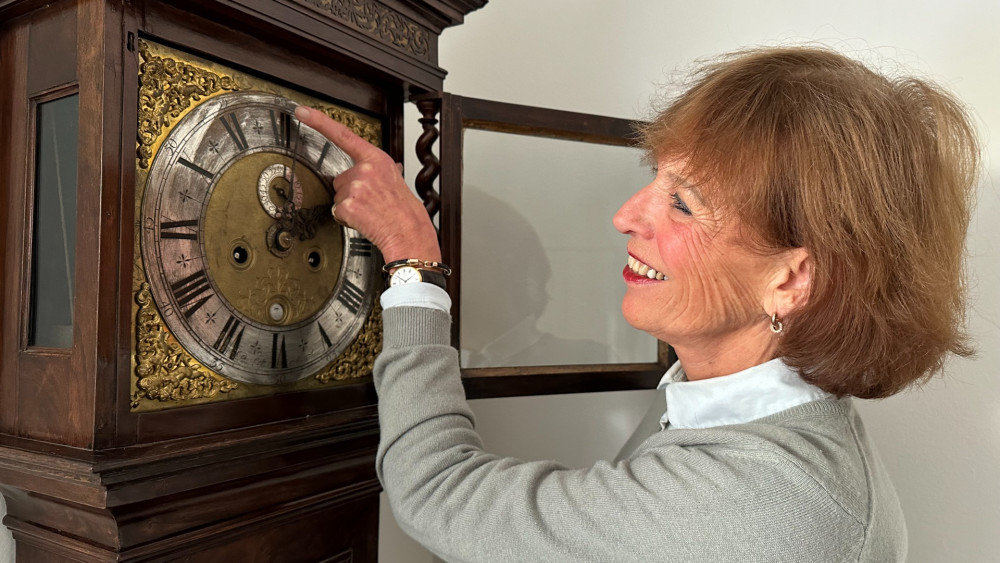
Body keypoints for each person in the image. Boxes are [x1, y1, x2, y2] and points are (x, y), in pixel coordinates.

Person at [294, 45, 979, 562]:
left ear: (791, 281)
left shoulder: (753, 499)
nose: (625, 215)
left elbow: (438, 490)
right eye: (655, 177)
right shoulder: (755, 412)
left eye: (683, 203)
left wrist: (414, 262)